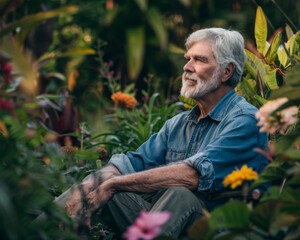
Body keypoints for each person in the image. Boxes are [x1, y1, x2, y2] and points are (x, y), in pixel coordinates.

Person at [62, 27, 269, 238]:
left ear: (227, 72)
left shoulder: (246, 120)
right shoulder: (178, 124)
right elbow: (130, 164)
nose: (187, 67)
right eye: (187, 59)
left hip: (223, 229)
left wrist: (112, 184)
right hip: (167, 224)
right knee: (93, 188)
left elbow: (192, 176)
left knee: (180, 193)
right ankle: (39, 227)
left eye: (199, 60)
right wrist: (91, 184)